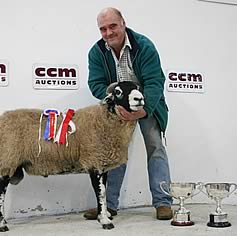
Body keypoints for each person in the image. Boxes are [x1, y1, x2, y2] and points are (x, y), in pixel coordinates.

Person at [84, 7, 173, 220]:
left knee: (155, 147)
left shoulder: (144, 46)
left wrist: (143, 110)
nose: (108, 33)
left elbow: (154, 81)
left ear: (123, 23)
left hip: (147, 103)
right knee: (115, 153)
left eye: (112, 26)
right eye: (103, 29)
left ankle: (163, 203)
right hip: (118, 107)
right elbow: (95, 83)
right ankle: (108, 205)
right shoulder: (96, 52)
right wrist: (114, 98)